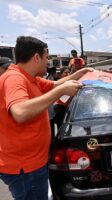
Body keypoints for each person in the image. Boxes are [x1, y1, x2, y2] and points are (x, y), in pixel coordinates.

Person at [0, 36, 93, 200]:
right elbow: (20, 112)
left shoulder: (31, 78)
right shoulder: (15, 79)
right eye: (46, 57)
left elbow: (57, 84)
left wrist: (80, 73)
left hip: (32, 163)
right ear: (36, 57)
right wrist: (60, 92)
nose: (48, 62)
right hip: (25, 168)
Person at [50, 67, 71, 143]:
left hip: (69, 109)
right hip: (59, 109)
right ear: (61, 74)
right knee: (60, 129)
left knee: (66, 129)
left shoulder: (72, 83)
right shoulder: (58, 84)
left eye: (69, 72)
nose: (67, 74)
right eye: (65, 72)